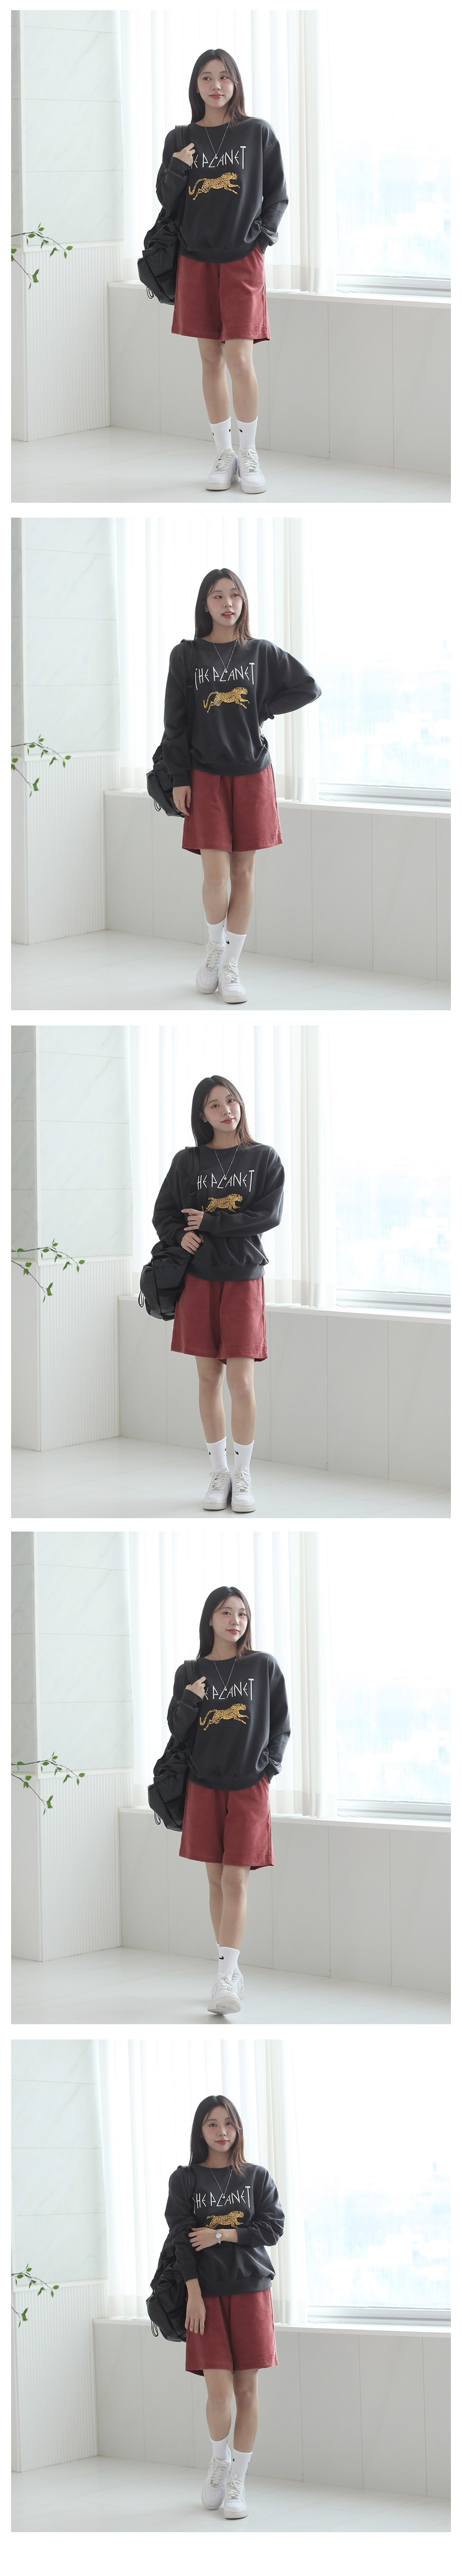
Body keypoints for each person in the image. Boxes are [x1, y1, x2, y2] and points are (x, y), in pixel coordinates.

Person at [164, 565, 320, 1002]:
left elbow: (308, 687)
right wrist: (179, 777)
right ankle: (214, 951)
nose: (228, 603)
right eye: (218, 595)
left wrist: (263, 708)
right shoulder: (186, 655)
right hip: (204, 774)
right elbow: (175, 723)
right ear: (205, 603)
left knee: (243, 872)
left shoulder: (261, 653)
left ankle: (232, 966)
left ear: (244, 601)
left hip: (252, 773)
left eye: (235, 594)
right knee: (215, 875)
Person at [156, 48, 288, 492]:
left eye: (225, 77)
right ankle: (224, 454)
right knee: (210, 358)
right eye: (207, 77)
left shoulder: (257, 132)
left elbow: (277, 195)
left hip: (242, 260)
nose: (216, 85)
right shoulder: (180, 138)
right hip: (194, 259)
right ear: (196, 85)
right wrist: (180, 166)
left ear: (236, 83)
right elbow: (166, 200)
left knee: (240, 358)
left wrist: (261, 241)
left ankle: (249, 454)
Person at [152, 1072, 284, 1512]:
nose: (227, 1110)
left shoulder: (264, 1158)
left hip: (244, 1276)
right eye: (215, 1104)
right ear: (202, 1115)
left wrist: (210, 1223)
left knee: (242, 1381)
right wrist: (180, 1236)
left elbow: (268, 1216)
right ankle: (220, 1472)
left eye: (232, 1100)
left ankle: (243, 1475)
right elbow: (164, 1214)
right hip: (199, 1279)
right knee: (209, 1379)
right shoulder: (188, 1161)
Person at [167, 1583, 290, 2012]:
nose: (235, 1620)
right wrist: (190, 1698)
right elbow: (177, 1730)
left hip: (249, 1785)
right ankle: (229, 1970)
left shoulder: (263, 1666)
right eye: (226, 1612)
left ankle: (226, 1977)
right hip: (203, 1784)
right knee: (216, 1881)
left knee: (237, 1880)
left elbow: (281, 1724)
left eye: (242, 1613)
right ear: (210, 1619)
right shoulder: (190, 1671)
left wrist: (268, 1770)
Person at [165, 2093, 285, 2517]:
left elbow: (273, 2228)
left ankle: (238, 2481)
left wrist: (221, 2234)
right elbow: (182, 2240)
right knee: (218, 2393)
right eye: (212, 2124)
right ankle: (220, 2461)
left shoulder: (256, 2176)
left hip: (252, 2290)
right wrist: (194, 2294)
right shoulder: (185, 2179)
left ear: (239, 2128)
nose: (222, 2132)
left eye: (229, 2123)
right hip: (207, 2295)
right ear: (200, 2130)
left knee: (246, 2390)